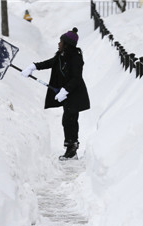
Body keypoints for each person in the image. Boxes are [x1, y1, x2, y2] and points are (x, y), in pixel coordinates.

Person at [21, 27, 90, 160]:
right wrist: (33, 67)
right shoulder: (61, 56)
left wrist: (65, 90)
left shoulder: (76, 58)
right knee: (68, 120)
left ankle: (72, 149)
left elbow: (77, 78)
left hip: (75, 94)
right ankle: (71, 148)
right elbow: (50, 63)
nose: (59, 44)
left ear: (67, 44)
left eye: (61, 42)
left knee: (70, 120)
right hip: (68, 93)